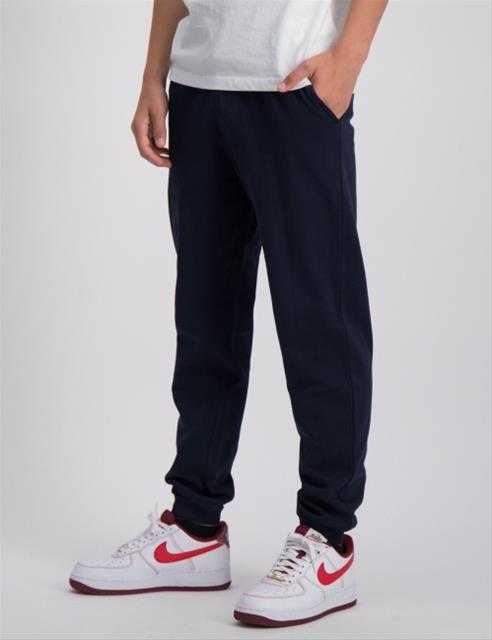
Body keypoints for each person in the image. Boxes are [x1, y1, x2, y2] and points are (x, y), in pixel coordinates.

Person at [69, 0, 387, 627]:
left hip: (294, 84)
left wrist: (348, 58)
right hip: (199, 88)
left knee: (320, 316)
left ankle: (328, 538)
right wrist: (154, 75)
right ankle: (194, 528)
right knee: (204, 318)